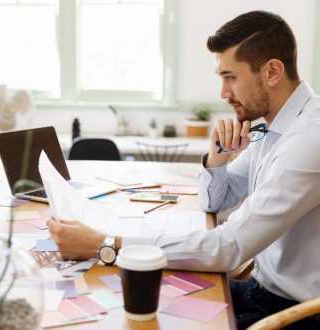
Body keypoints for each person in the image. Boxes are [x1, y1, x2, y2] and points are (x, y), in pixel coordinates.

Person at [47, 10, 320, 329]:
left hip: (295, 313)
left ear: (272, 71)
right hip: (260, 291)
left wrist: (106, 243)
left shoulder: (309, 139)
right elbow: (215, 203)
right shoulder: (275, 126)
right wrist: (217, 157)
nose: (223, 93)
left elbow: (229, 247)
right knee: (141, 298)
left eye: (230, 76)